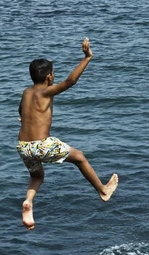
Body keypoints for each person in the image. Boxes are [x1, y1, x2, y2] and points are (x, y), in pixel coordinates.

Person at [16, 38, 119, 230]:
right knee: (80, 157)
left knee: (37, 176)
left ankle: (29, 201)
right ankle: (103, 191)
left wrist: (25, 118)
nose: (54, 77)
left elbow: (21, 112)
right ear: (49, 77)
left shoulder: (26, 92)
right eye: (53, 74)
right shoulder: (46, 92)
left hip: (23, 147)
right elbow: (71, 81)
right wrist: (87, 58)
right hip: (40, 145)